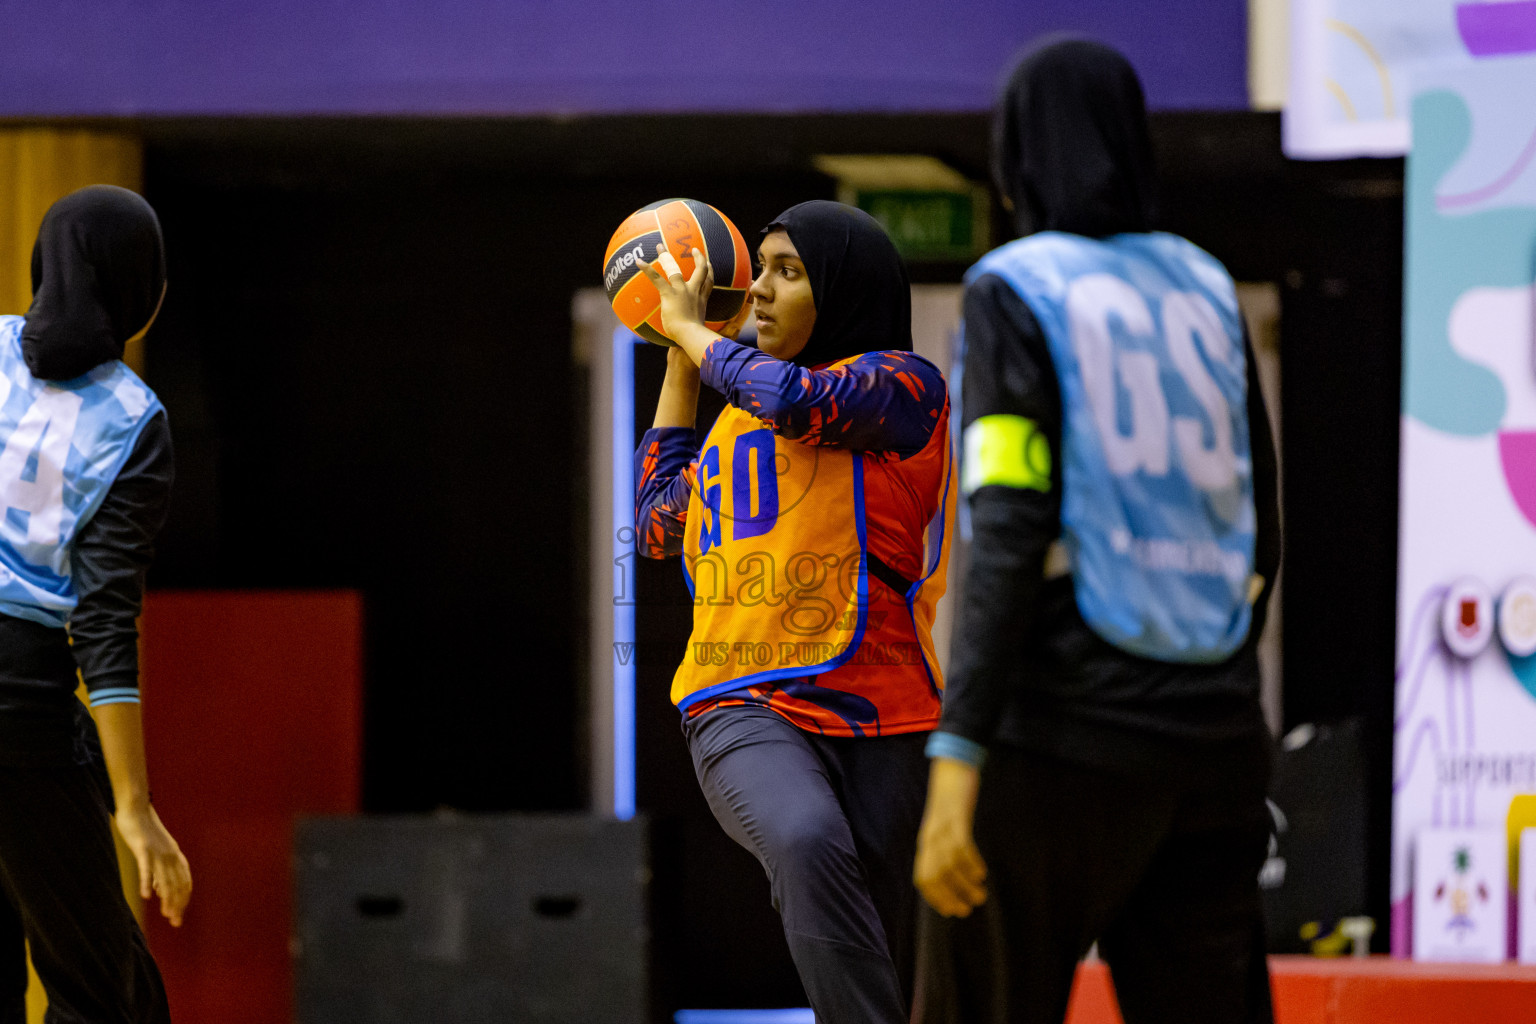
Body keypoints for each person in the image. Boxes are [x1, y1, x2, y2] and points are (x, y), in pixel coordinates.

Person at [911, 37, 1281, 1024]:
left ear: (1016, 152)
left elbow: (1008, 530)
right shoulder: (1205, 286)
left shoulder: (1015, 287)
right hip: (1215, 741)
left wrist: (957, 757)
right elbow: (1264, 533)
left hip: (1060, 738)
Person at [633, 200, 956, 1024]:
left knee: (902, 946)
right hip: (738, 704)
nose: (764, 293)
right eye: (760, 270)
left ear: (846, 287)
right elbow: (656, 526)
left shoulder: (903, 389)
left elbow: (803, 402)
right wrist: (680, 359)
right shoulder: (739, 412)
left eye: (790, 271)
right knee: (807, 840)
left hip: (888, 711)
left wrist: (703, 343)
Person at [0, 185, 191, 1024]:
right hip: (19, 712)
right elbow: (104, 625)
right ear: (139, 288)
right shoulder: (133, 420)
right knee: (107, 996)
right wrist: (134, 809)